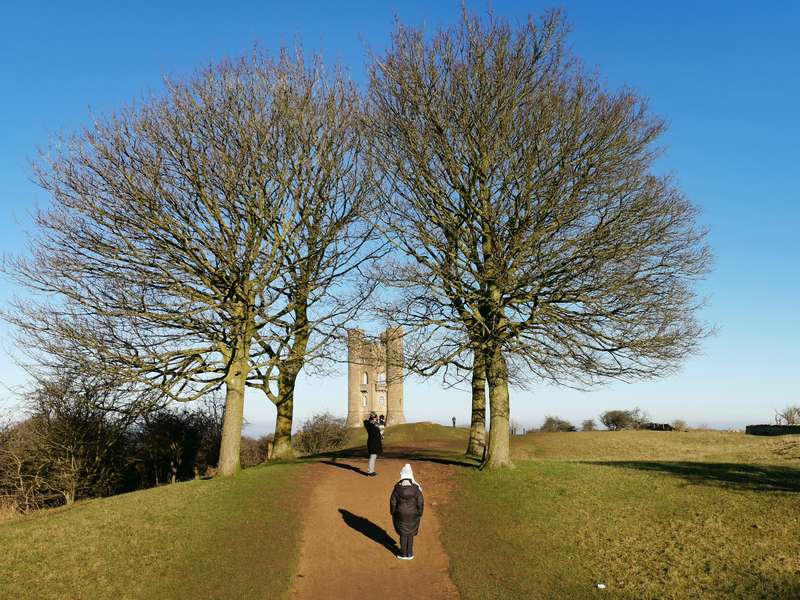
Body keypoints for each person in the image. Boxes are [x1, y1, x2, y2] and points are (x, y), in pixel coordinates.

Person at [390, 463, 424, 560]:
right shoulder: (417, 488)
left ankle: (403, 553)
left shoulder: (397, 488)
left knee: (403, 532)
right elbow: (420, 503)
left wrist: (393, 512)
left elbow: (393, 502)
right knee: (410, 532)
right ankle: (410, 553)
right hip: (413, 514)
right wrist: (419, 513)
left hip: (400, 514)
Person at [364, 411, 382, 476]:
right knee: (373, 456)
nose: (376, 419)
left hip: (375, 441)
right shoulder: (369, 424)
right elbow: (366, 422)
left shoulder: (374, 424)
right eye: (375, 417)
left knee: (374, 456)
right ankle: (370, 471)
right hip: (372, 441)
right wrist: (373, 422)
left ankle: (371, 470)